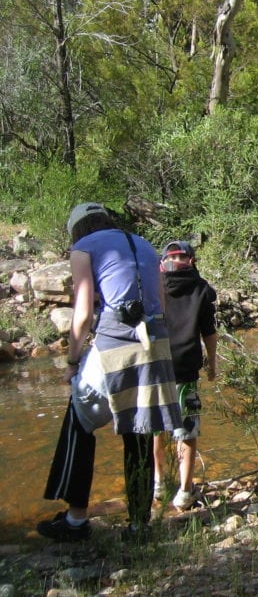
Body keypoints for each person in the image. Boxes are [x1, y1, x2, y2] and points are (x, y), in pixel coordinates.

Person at [39, 202, 183, 542]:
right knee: (140, 432)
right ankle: (139, 525)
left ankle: (75, 521)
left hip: (115, 345)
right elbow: (160, 304)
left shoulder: (82, 248)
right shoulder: (144, 243)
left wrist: (73, 362)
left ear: (78, 229)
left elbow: (84, 313)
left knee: (80, 420)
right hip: (156, 346)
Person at [153, 240, 218, 511]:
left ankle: (158, 483)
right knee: (187, 431)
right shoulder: (201, 289)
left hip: (156, 368)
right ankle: (185, 490)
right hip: (186, 369)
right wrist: (212, 364)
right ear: (191, 261)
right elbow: (209, 332)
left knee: (156, 426)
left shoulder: (155, 286)